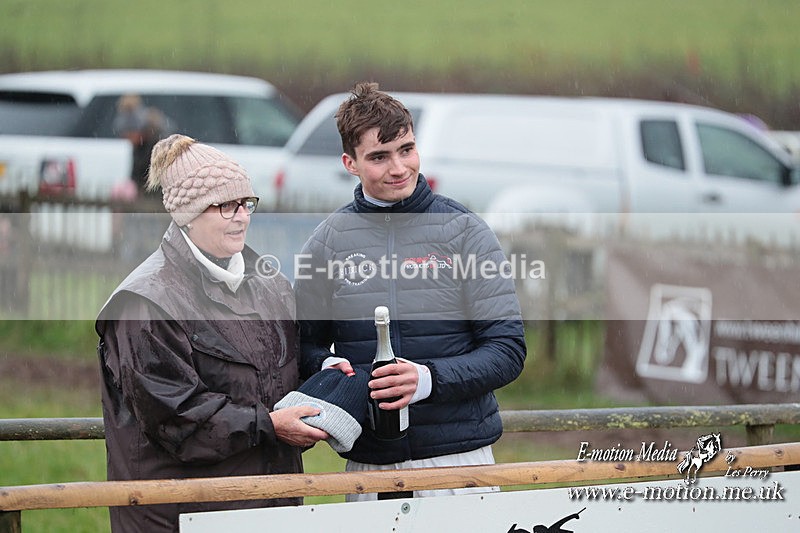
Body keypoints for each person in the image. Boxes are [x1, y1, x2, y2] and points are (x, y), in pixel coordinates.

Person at [294, 82, 527, 500]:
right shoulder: (327, 241)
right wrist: (332, 369)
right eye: (379, 157)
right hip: (369, 466)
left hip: (459, 462)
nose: (399, 167)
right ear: (350, 162)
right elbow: (301, 348)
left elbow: (507, 350)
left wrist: (426, 379)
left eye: (406, 149)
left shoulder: (465, 232)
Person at [95, 134, 328, 532]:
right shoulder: (145, 303)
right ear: (188, 213)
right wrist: (271, 425)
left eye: (247, 203)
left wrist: (327, 379)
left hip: (271, 510)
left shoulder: (270, 285)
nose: (241, 216)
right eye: (225, 205)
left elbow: (284, 380)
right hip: (179, 517)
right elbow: (178, 419)